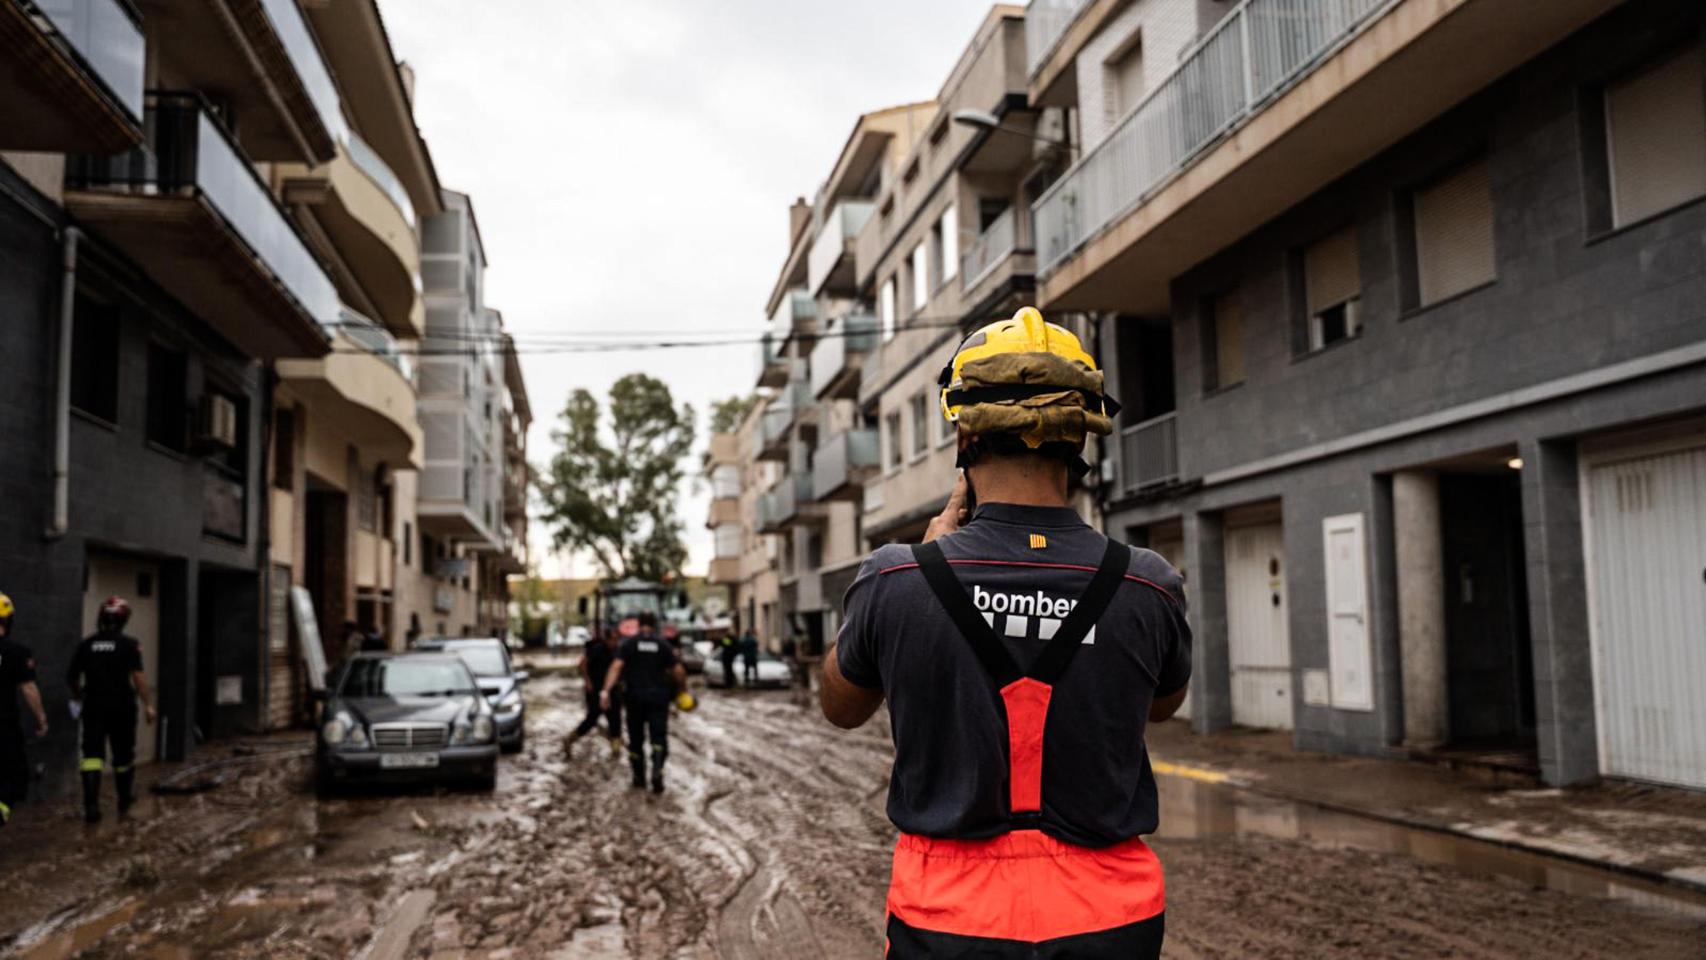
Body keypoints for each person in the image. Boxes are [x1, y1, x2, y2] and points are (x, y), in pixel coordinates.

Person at [821, 308, 1191, 958]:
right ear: (1079, 438)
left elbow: (841, 707)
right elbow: (1160, 705)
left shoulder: (896, 580)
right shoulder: (1149, 584)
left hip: (950, 921)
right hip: (1110, 921)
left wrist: (928, 565)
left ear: (964, 434)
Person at [68, 596, 157, 824]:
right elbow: (138, 678)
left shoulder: (86, 645)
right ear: (123, 619)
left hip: (94, 707)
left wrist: (79, 696)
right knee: (123, 756)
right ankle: (124, 801)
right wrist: (148, 704)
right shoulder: (129, 645)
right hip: (122, 708)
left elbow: (72, 677)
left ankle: (91, 807)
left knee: (91, 756)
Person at [600, 611, 685, 793]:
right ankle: (657, 771)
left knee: (636, 739)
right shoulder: (663, 644)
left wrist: (605, 691)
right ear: (655, 624)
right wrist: (682, 691)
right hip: (658, 698)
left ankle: (639, 778)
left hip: (634, 698)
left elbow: (616, 667)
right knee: (658, 737)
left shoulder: (628, 644)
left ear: (638, 624)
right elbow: (678, 671)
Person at [0, 592, 49, 829]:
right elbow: (29, 689)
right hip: (4, 726)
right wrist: (41, 718)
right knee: (13, 776)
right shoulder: (17, 652)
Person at [565, 623, 623, 760]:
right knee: (591, 719)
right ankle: (570, 740)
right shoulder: (597, 649)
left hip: (612, 691)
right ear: (607, 639)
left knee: (615, 721)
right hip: (596, 690)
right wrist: (588, 682)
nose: (615, 642)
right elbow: (582, 664)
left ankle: (616, 752)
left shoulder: (618, 651)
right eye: (613, 639)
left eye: (617, 639)